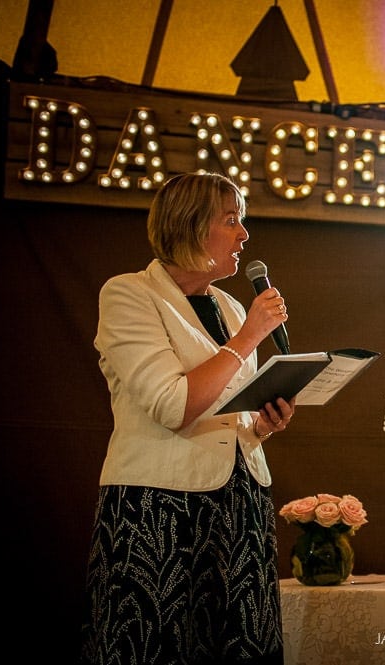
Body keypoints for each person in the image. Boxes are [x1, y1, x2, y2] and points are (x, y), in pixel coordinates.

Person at [80, 172, 295, 665]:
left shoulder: (232, 305)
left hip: (239, 506)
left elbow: (231, 412)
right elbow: (174, 406)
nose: (244, 235)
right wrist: (248, 339)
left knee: (239, 643)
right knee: (154, 643)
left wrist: (263, 423)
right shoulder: (129, 295)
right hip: (158, 506)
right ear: (194, 227)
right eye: (231, 221)